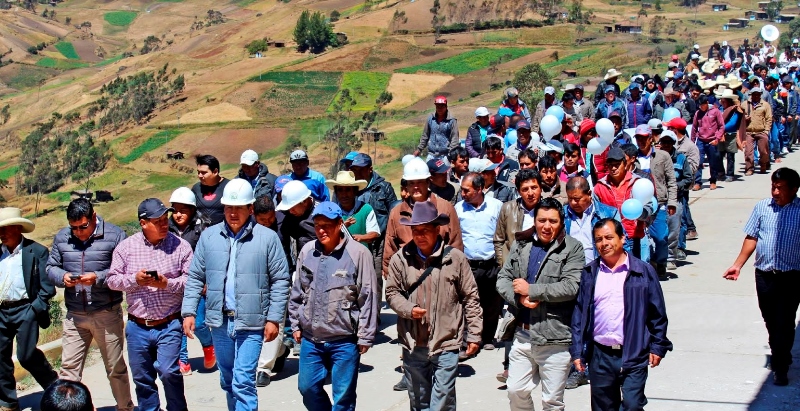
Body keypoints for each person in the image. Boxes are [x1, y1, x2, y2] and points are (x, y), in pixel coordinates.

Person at [183, 179, 290, 410]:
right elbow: (195, 276)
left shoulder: (267, 238)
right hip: (220, 322)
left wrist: (273, 318)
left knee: (243, 381)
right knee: (228, 379)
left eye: (239, 208)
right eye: (229, 207)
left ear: (250, 208)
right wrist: (189, 311)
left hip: (252, 322)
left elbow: (281, 280)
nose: (233, 213)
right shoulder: (209, 237)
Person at [385, 200, 482, 411]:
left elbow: (470, 297)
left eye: (425, 230)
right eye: (415, 231)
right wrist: (408, 309)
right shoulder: (400, 259)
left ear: (437, 229)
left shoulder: (455, 259)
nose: (420, 236)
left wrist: (474, 334)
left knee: (442, 400)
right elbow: (392, 292)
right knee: (419, 400)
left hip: (447, 340)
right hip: (413, 342)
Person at [571, 218, 673, 411]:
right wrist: (577, 351)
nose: (604, 243)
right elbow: (579, 314)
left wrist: (658, 346)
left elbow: (657, 313)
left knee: (632, 405)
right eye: (599, 239)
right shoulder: (590, 273)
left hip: (634, 351)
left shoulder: (643, 271)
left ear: (622, 238)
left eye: (609, 237)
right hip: (600, 355)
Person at [496, 197, 585, 411]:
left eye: (553, 221)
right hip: (523, 334)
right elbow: (503, 278)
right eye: (542, 220)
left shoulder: (573, 248)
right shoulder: (521, 244)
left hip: (555, 337)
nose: (546, 226)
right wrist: (519, 298)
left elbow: (571, 286)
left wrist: (532, 290)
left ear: (561, 222)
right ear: (534, 221)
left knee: (552, 401)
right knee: (515, 390)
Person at [289, 202, 378, 411]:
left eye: (327, 226)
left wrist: (365, 335)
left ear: (339, 224)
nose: (321, 230)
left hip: (344, 340)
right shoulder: (307, 251)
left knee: (343, 397)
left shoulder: (358, 254)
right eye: (317, 225)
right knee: (307, 387)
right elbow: (297, 290)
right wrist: (294, 323)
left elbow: (368, 297)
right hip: (311, 338)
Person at [46, 199, 133, 411]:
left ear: (94, 217)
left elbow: (126, 270)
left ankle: (125, 408)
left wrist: (98, 277)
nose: (79, 232)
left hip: (107, 313)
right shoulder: (62, 237)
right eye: (74, 228)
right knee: (68, 372)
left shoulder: (115, 235)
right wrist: (63, 276)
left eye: (83, 226)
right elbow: (50, 267)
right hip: (75, 316)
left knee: (115, 368)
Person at [106, 199, 193, 411]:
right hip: (137, 326)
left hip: (169, 323)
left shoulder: (181, 246)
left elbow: (192, 281)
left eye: (165, 219)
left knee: (169, 372)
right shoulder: (126, 248)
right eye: (158, 221)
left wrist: (166, 284)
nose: (164, 224)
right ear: (143, 223)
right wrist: (134, 279)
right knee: (142, 378)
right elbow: (112, 281)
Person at [723, 167, 800, 386]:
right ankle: (780, 351)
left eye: (780, 188)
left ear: (794, 189)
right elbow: (752, 237)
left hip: (792, 276)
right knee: (770, 319)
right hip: (765, 275)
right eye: (773, 187)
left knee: (785, 321)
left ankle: (780, 366)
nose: (775, 192)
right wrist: (737, 265)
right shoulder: (762, 207)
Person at [0, 208, 58, 411]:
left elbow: (47, 287)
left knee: (26, 355)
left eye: (5, 229)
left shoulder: (37, 251)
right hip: (2, 311)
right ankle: (8, 402)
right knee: (0, 357)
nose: (2, 234)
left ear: (17, 228)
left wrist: (35, 309)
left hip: (26, 309)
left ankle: (55, 388)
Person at [383, 158, 463, 277]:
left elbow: (456, 244)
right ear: (406, 186)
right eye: (411, 183)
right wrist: (390, 277)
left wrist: (454, 276)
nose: (415, 187)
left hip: (441, 275)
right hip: (408, 278)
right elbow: (390, 249)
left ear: (428, 182)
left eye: (419, 182)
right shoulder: (396, 213)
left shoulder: (445, 208)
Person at [167, 187, 214, 375]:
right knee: (178, 324)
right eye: (175, 210)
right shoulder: (166, 228)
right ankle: (182, 360)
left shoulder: (202, 228)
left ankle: (209, 345)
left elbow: (210, 256)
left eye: (183, 210)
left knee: (199, 322)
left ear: (193, 210)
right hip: (174, 284)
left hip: (197, 284)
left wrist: (207, 280)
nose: (178, 214)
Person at [456, 173, 504, 351]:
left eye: (466, 190)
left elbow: (503, 233)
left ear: (479, 189)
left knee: (491, 304)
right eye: (462, 190)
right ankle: (468, 340)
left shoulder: (496, 206)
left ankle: (488, 337)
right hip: (468, 265)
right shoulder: (458, 209)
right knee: (468, 303)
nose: (463, 194)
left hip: (491, 264)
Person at [593, 148, 654, 262]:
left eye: (617, 165)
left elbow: (649, 206)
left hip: (634, 237)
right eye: (610, 165)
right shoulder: (599, 187)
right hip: (611, 239)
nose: (613, 168)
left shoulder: (637, 183)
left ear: (625, 164)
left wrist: (642, 214)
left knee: (636, 269)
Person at [633, 124, 678, 279]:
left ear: (650, 138)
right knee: (640, 238)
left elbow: (671, 180)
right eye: (638, 138)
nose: (641, 141)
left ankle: (661, 262)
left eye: (644, 138)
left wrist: (672, 202)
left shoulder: (662, 156)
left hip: (659, 203)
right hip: (639, 206)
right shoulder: (632, 157)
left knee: (661, 237)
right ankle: (647, 264)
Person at [351, 153, 398, 296]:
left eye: (361, 169)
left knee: (375, 279)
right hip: (355, 240)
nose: (357, 173)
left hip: (378, 243)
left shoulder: (384, 188)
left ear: (370, 169)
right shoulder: (349, 187)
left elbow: (393, 215)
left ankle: (375, 309)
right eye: (354, 169)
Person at [564, 176, 622, 264]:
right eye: (570, 199)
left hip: (600, 267)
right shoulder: (562, 215)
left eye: (577, 199)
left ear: (589, 194)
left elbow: (622, 243)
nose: (573, 203)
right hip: (570, 268)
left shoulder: (609, 214)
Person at [663, 117, 701, 243]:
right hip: (669, 186)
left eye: (670, 127)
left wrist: (678, 169)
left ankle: (685, 235)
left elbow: (693, 167)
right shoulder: (668, 143)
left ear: (675, 130)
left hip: (682, 185)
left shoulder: (690, 146)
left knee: (682, 210)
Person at [658, 131, 693, 266]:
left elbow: (688, 178)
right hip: (660, 198)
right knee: (659, 229)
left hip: (676, 198)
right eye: (663, 142)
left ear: (673, 143)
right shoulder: (656, 157)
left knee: (675, 228)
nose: (666, 145)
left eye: (669, 142)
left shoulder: (681, 158)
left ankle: (673, 255)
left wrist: (676, 187)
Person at [327, 171, 380, 246]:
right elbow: (328, 236)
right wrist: (342, 227)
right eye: (340, 190)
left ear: (355, 191)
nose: (344, 194)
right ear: (336, 193)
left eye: (348, 189)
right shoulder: (331, 212)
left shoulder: (366, 209)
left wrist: (361, 238)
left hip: (362, 252)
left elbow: (374, 233)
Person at [276, 181, 319, 267]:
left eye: (293, 208)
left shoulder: (323, 213)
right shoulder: (288, 215)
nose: (290, 211)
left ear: (305, 202)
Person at [691, 95, 725, 190]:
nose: (701, 107)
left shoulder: (715, 111)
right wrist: (692, 142)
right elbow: (694, 128)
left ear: (706, 103)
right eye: (700, 105)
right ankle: (698, 182)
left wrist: (717, 138)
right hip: (701, 140)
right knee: (698, 161)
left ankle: (713, 181)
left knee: (712, 162)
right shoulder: (698, 113)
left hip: (712, 140)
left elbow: (721, 126)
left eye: (703, 105)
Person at [415, 96, 459, 162]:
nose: (439, 108)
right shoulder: (431, 119)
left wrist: (450, 154)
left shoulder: (451, 121)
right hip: (431, 155)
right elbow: (425, 135)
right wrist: (419, 149)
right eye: (438, 106)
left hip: (445, 155)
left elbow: (454, 139)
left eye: (442, 106)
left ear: (446, 106)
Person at [741, 87, 773, 175]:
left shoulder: (765, 105)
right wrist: (744, 118)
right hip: (749, 131)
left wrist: (767, 130)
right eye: (754, 94)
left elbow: (769, 118)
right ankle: (749, 168)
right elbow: (739, 117)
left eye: (758, 94)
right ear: (751, 95)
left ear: (760, 95)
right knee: (748, 152)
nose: (756, 96)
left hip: (761, 131)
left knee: (763, 151)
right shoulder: (744, 104)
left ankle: (763, 164)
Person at [192, 154, 229, 225]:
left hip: (223, 230)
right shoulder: (196, 189)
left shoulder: (229, 187)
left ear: (215, 171)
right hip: (201, 230)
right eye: (198, 172)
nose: (199, 175)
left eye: (203, 172)